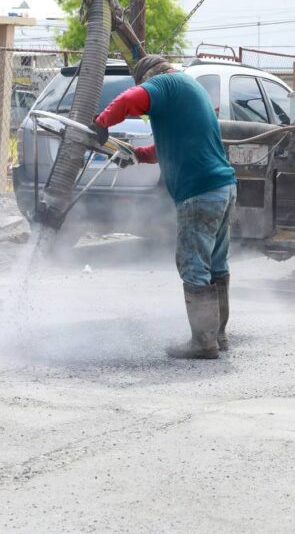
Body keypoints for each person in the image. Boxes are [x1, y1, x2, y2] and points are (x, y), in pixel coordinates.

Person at [92, 54, 237, 359]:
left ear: (148, 77)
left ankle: (203, 342)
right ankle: (218, 335)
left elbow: (132, 98)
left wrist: (102, 121)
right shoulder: (189, 87)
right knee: (216, 263)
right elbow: (170, 147)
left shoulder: (164, 84)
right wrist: (139, 154)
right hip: (224, 188)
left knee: (193, 264)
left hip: (199, 192)